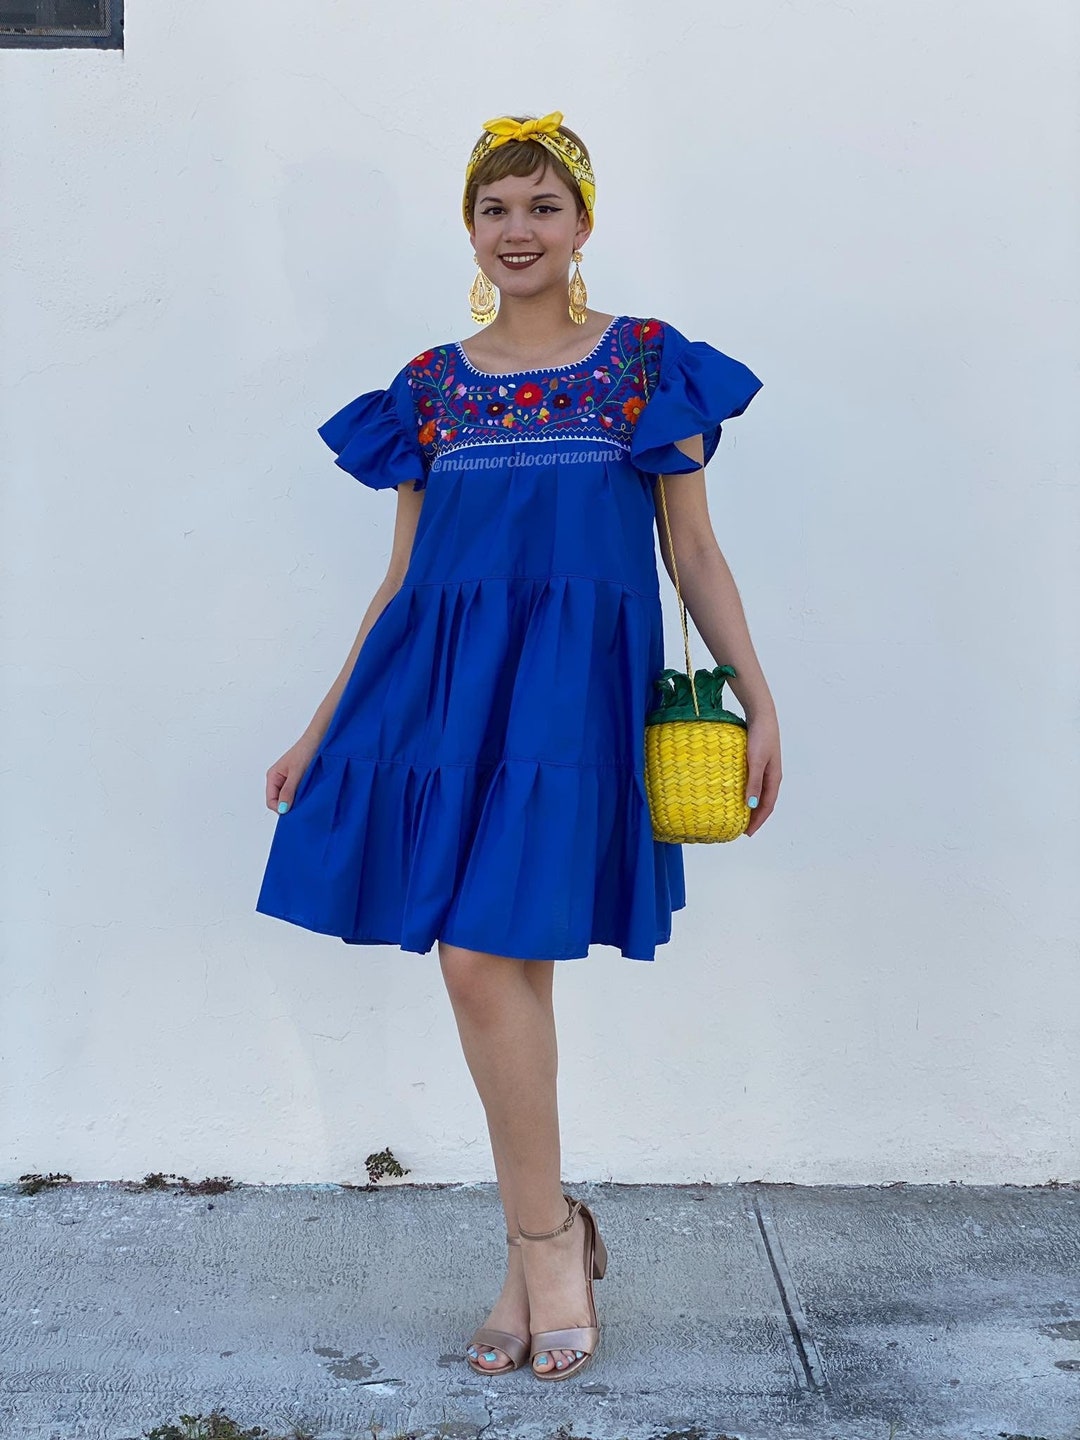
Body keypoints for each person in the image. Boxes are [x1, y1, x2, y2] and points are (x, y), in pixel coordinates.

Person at [255, 111, 782, 1383]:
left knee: (495, 958)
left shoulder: (647, 366)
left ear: (583, 223)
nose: (519, 231)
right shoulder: (430, 388)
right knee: (494, 966)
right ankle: (544, 1242)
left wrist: (762, 701)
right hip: (437, 699)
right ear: (470, 231)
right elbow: (403, 580)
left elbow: (691, 552)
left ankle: (539, 1247)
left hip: (568, 705)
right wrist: (321, 725)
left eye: (544, 206)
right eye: (496, 209)